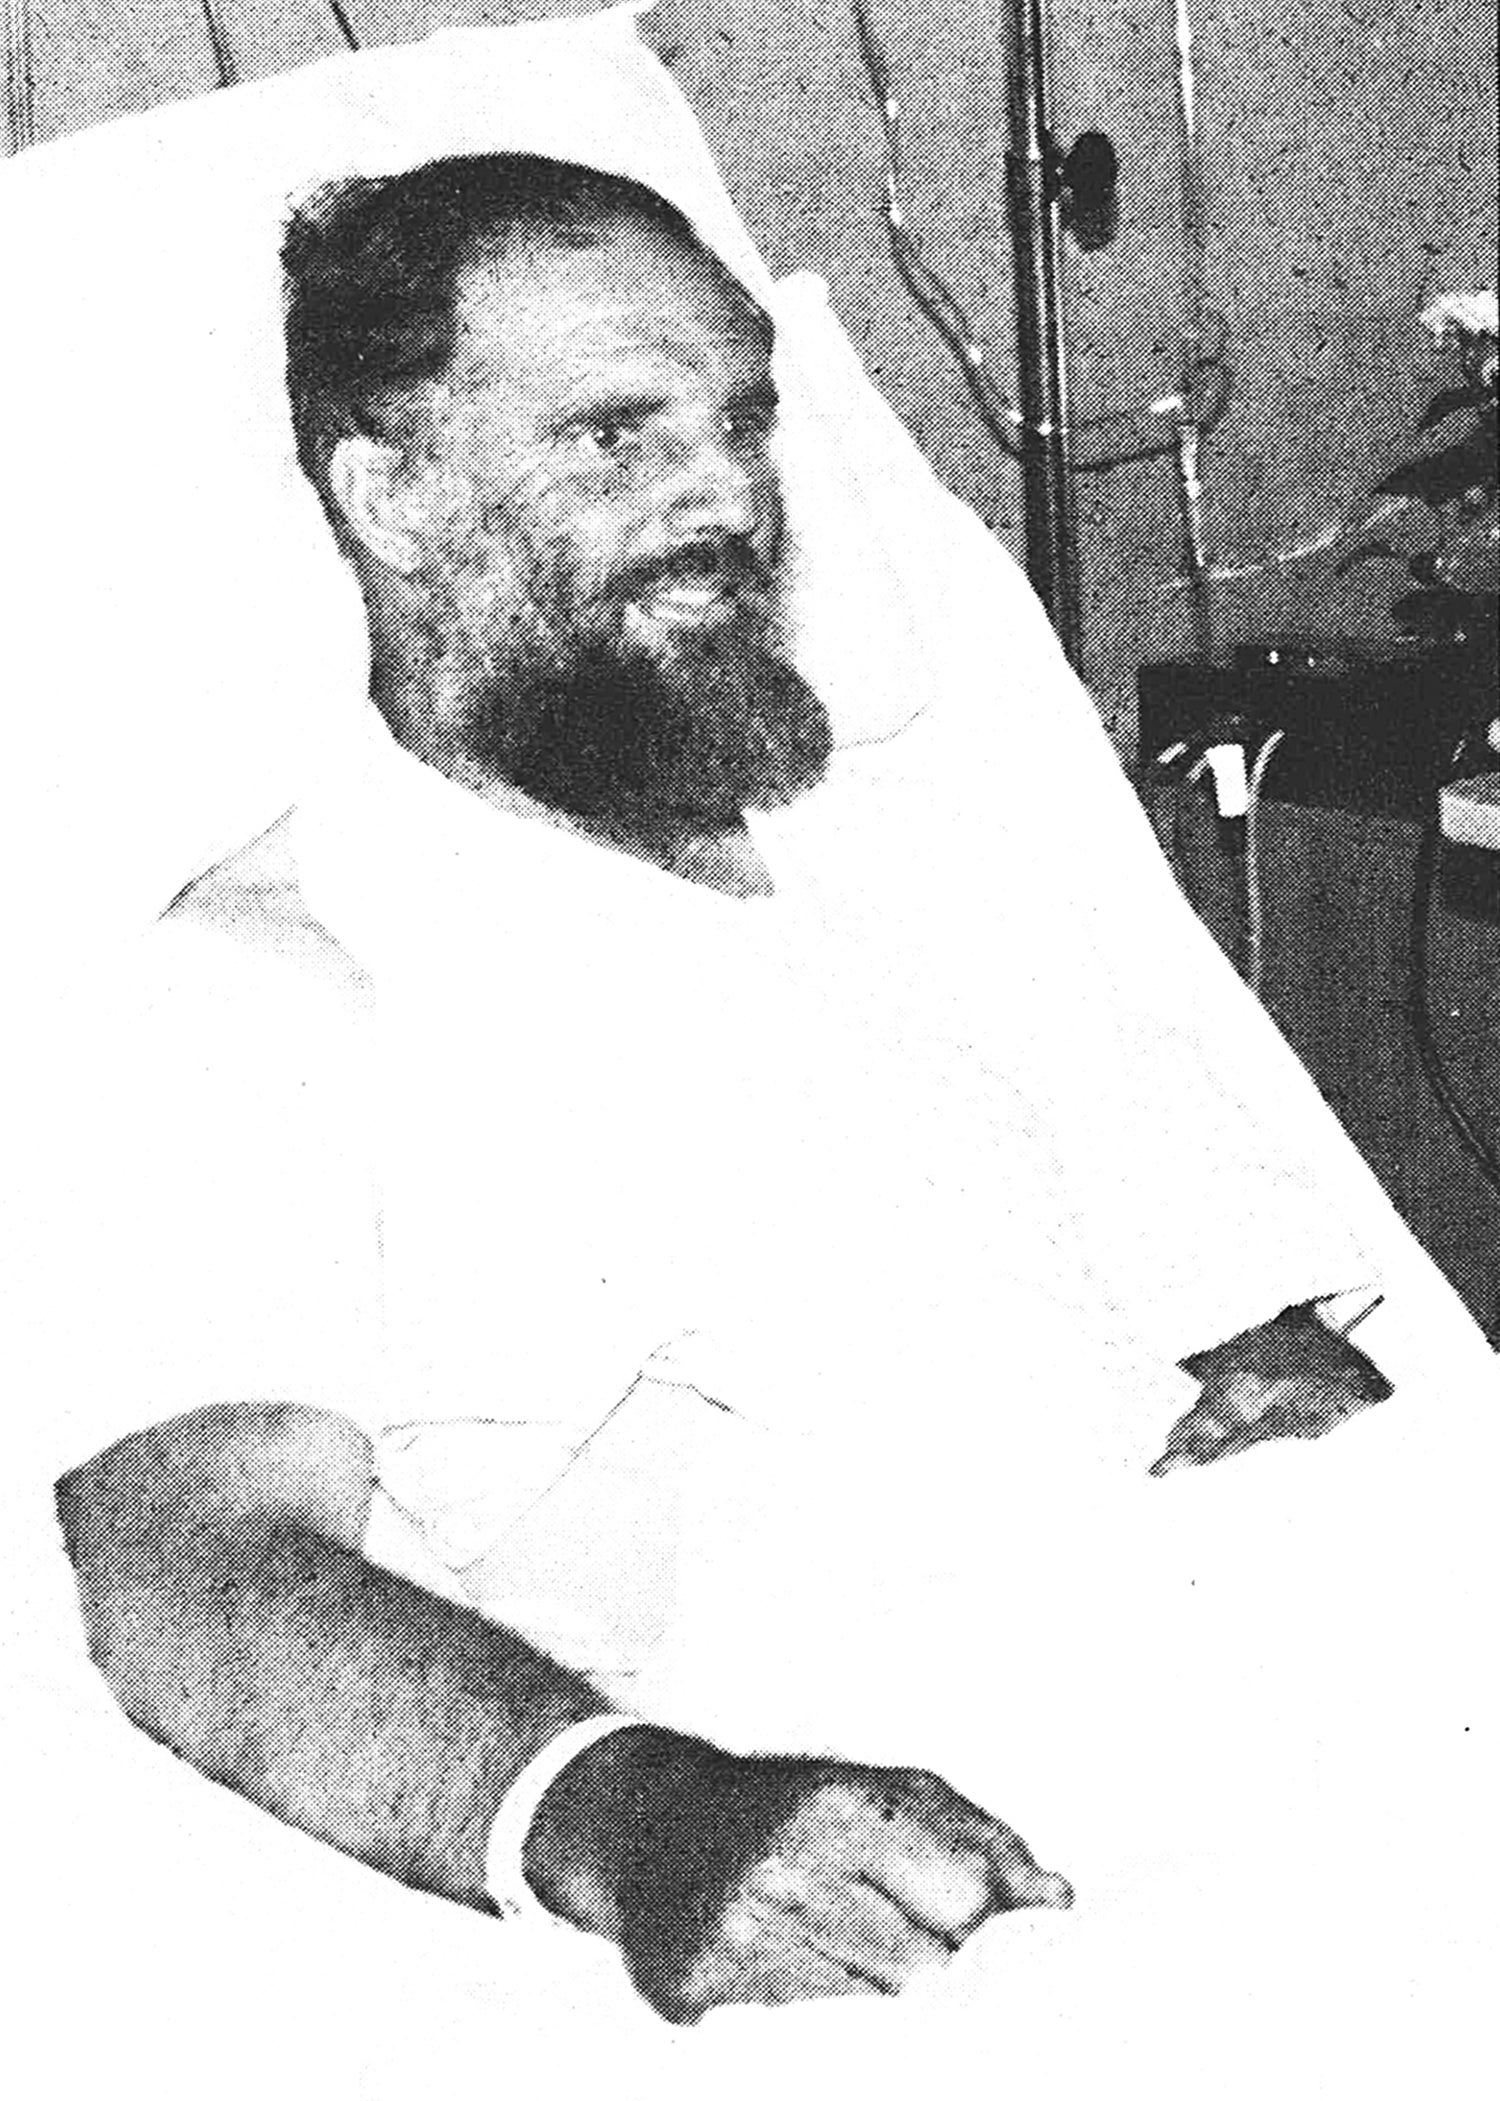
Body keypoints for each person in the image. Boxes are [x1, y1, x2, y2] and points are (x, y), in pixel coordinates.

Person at [6, 23, 1495, 2093]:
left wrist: (1259, 1371)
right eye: (616, 437)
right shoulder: (268, 978)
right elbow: (200, 1568)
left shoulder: (859, 837)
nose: (722, 490)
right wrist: (641, 1812)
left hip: (1280, 1639)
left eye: (739, 418)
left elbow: (1219, 1289)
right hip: (929, 1804)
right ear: (391, 489)